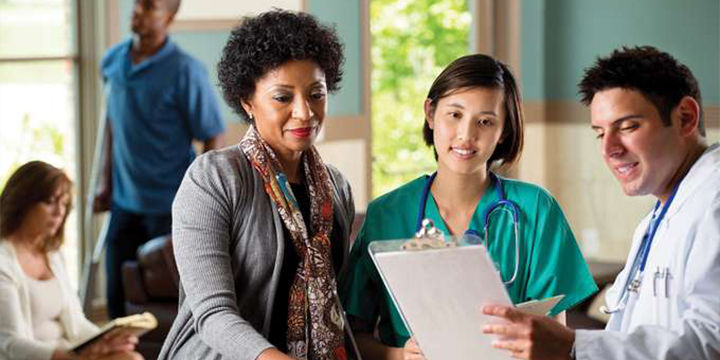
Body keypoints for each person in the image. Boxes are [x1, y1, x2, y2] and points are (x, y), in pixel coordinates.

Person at [340, 54, 598, 360]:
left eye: (485, 121)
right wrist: (398, 356)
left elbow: (554, 342)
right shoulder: (387, 213)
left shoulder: (537, 209)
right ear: (430, 112)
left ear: (503, 131)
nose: (466, 134)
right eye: (454, 115)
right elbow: (351, 337)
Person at [482, 46, 720, 360]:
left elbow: (711, 342)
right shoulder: (660, 214)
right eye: (600, 133)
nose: (609, 149)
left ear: (685, 118)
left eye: (627, 127)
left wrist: (573, 346)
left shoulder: (713, 200)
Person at [158, 10, 354, 360]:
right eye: (283, 97)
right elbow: (213, 315)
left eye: (316, 94)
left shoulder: (336, 187)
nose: (305, 112)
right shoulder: (213, 178)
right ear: (248, 101)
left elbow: (343, 305)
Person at [94, 0, 226, 319]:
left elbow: (212, 136)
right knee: (118, 297)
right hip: (124, 203)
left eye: (149, 6)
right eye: (137, 3)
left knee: (166, 302)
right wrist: (104, 181)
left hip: (169, 206)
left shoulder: (186, 71)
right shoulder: (112, 62)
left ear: (170, 16)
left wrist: (201, 200)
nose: (137, 11)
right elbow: (112, 125)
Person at [0, 161, 143, 360]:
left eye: (64, 204)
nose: (59, 212)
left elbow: (76, 322)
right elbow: (10, 344)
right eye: (50, 202)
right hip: (42, 357)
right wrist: (67, 357)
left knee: (129, 357)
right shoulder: (4, 264)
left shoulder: (52, 255)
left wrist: (105, 340)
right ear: (22, 202)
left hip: (69, 351)